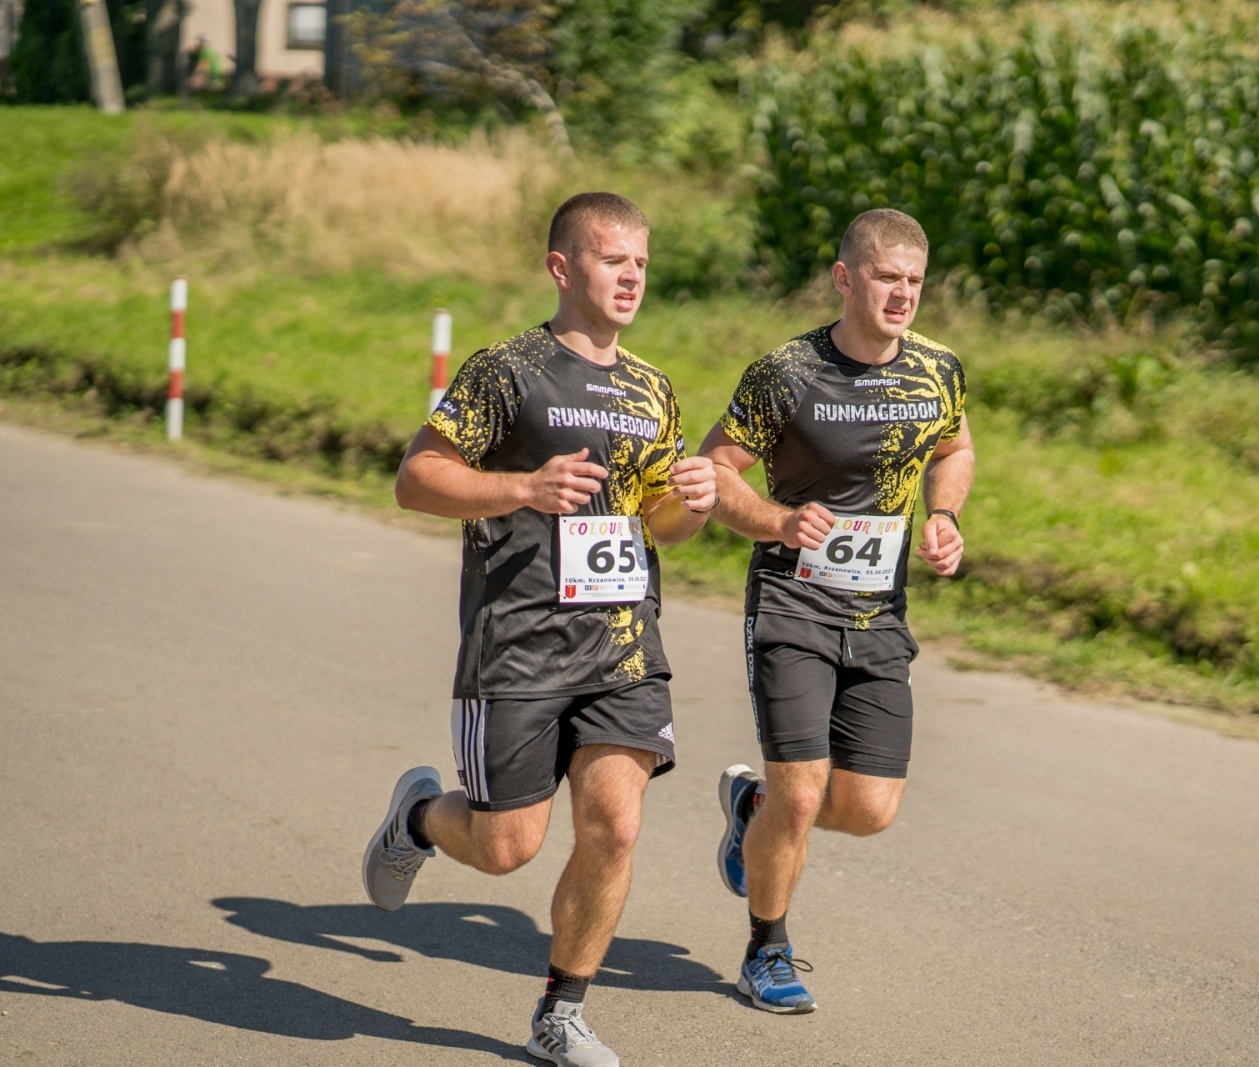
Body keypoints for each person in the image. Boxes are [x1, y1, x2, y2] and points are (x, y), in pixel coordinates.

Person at [362, 192, 718, 1067]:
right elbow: (417, 478)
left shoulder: (653, 388)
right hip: (517, 645)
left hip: (623, 645)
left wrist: (694, 505)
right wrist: (522, 488)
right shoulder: (507, 370)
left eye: (641, 262)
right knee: (506, 848)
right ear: (563, 267)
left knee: (615, 826)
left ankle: (561, 1011)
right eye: (612, 259)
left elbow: (660, 522)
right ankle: (418, 818)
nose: (631, 276)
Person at [698, 208, 974, 1013]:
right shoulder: (787, 373)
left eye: (915, 280)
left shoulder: (937, 370)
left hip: (879, 612)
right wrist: (779, 521)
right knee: (802, 791)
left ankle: (751, 806)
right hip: (793, 602)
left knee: (868, 809)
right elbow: (716, 469)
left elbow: (955, 447)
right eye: (887, 277)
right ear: (845, 278)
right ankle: (767, 949)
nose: (903, 294)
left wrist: (944, 514)